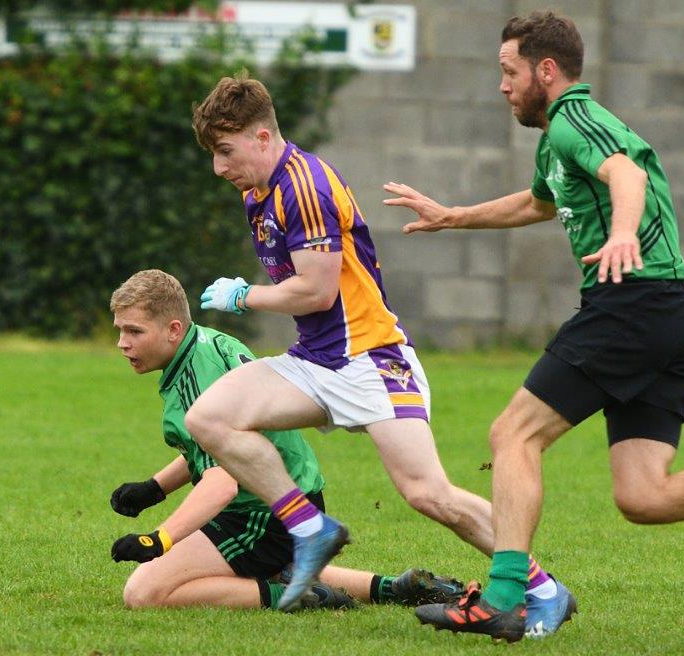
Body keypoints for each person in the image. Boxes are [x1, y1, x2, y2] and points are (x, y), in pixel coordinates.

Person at [383, 11, 684, 643]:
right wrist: (453, 217)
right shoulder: (561, 136)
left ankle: (502, 599)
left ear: (544, 71)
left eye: (509, 71)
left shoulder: (576, 122)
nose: (502, 85)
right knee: (643, 496)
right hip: (668, 314)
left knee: (512, 435)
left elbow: (627, 176)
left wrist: (625, 232)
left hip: (628, 305)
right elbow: (538, 203)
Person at [185, 72, 576, 635]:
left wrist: (242, 295)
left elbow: (316, 290)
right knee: (210, 418)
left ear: (263, 137)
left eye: (225, 151)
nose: (219, 167)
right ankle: (309, 529)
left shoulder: (303, 187)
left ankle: (543, 588)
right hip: (317, 361)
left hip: (371, 360)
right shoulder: (257, 191)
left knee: (428, 494)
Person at [108, 268, 467, 611]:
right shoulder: (206, 346)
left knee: (144, 591)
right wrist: (155, 488)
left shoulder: (196, 378)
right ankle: (392, 587)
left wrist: (160, 539)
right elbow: (214, 449)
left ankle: (293, 595)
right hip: (290, 497)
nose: (123, 343)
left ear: (173, 329)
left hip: (262, 513)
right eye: (120, 331)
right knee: (245, 565)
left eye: (134, 332)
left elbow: (223, 483)